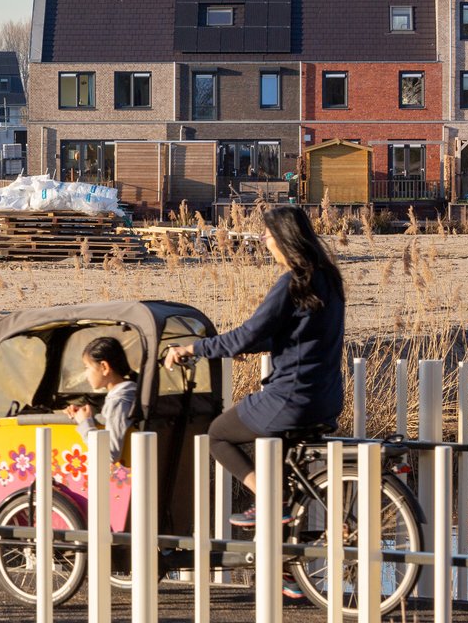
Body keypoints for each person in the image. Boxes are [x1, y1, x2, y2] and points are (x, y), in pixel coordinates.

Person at [164, 205, 345, 520]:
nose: (264, 240)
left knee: (217, 434)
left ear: (284, 238)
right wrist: (256, 346)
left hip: (291, 397)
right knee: (274, 447)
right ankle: (286, 540)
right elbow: (300, 334)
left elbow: (246, 334)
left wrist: (193, 348)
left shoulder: (292, 283)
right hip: (325, 397)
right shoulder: (328, 279)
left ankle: (271, 499)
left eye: (267, 234)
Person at [65, 336, 137, 464]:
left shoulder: (119, 402)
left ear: (104, 367)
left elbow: (109, 454)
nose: (86, 374)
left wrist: (84, 424)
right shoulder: (130, 394)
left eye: (87, 367)